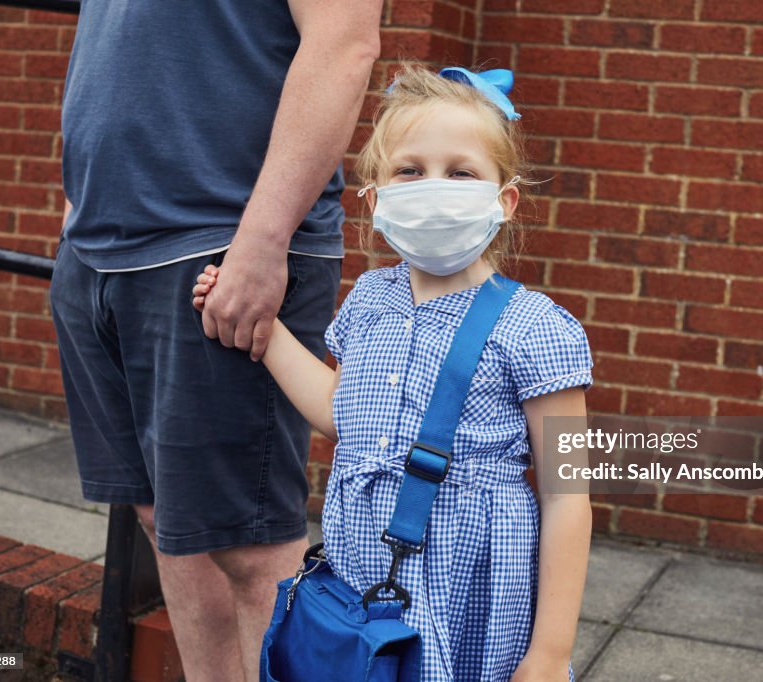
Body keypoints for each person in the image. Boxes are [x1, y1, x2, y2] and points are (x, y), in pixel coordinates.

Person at [193, 64, 593, 681]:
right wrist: (264, 330)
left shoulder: (538, 329)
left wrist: (550, 654)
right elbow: (339, 413)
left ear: (503, 199)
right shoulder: (370, 299)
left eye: (461, 172)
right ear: (376, 200)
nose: (435, 185)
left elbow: (568, 496)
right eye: (411, 170)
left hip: (472, 595)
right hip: (365, 576)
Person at [49, 1, 383, 679]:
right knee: (165, 522)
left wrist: (264, 240)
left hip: (221, 243)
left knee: (252, 549)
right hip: (98, 248)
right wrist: (76, 213)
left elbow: (345, 44)